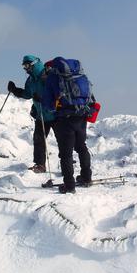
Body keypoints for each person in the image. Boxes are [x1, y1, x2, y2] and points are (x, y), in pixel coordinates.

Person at [42, 57, 93, 194]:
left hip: (64, 118)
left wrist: (51, 108)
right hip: (82, 115)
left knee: (66, 154)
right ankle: (87, 178)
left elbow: (48, 103)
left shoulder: (53, 78)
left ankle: (69, 185)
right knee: (81, 147)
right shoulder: (79, 75)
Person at [7, 55, 55, 173]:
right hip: (41, 115)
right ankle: (40, 165)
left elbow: (56, 93)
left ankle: (66, 164)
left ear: (34, 64)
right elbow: (27, 94)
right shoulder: (31, 80)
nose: (25, 68)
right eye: (24, 66)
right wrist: (15, 90)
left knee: (62, 141)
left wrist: (43, 98)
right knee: (38, 139)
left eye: (27, 65)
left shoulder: (47, 75)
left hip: (54, 114)